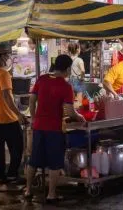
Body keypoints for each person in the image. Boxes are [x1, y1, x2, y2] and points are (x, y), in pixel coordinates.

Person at [24, 55, 86, 203]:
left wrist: (34, 118)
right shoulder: (66, 87)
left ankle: (28, 190)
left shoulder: (42, 79)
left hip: (39, 127)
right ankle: (51, 194)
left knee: (34, 160)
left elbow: (32, 100)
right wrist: (79, 117)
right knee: (54, 162)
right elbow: (70, 112)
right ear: (67, 69)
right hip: (54, 129)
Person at [0, 43, 25, 184]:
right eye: (7, 55)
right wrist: (19, 114)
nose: (9, 58)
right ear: (1, 57)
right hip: (8, 117)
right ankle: (13, 174)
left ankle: (0, 175)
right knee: (18, 146)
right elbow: (7, 97)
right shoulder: (4, 74)